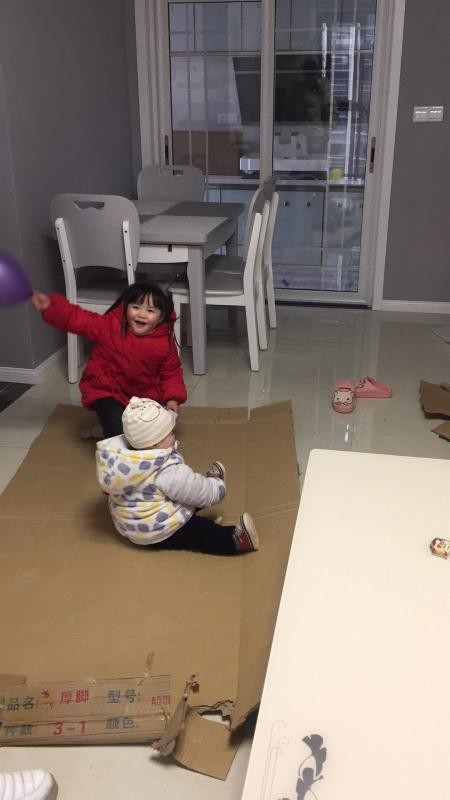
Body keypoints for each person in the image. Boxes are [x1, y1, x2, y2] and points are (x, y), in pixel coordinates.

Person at [96, 396, 259, 555]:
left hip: (131, 523)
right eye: (170, 433)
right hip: (156, 530)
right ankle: (236, 540)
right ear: (155, 443)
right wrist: (216, 488)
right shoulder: (166, 471)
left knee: (183, 493)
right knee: (199, 532)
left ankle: (208, 485)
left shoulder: (123, 459)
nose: (174, 435)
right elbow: (193, 490)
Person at [31, 282, 187, 438]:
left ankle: (103, 428)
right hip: (107, 389)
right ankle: (108, 427)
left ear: (161, 318)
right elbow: (79, 319)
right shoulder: (109, 326)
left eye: (150, 310)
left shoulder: (165, 342)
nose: (141, 314)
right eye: (135, 307)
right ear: (125, 308)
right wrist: (51, 307)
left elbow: (171, 372)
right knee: (118, 430)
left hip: (143, 395)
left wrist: (172, 398)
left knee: (152, 432)